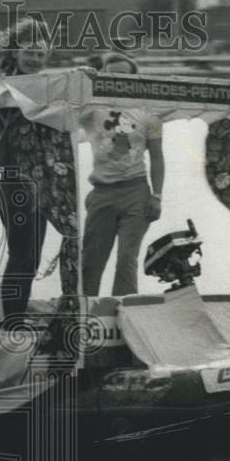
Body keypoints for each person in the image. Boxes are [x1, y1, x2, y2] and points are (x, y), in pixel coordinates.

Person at [0, 19, 80, 322]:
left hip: (43, 179)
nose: (35, 60)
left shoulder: (47, 86)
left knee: (32, 255)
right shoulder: (2, 86)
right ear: (14, 53)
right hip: (15, 177)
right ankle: (13, 320)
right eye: (29, 52)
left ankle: (17, 315)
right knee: (22, 253)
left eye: (41, 55)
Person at [80, 52, 165, 296]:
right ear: (104, 77)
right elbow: (67, 102)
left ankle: (125, 311)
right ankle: (87, 311)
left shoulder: (149, 114)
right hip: (102, 192)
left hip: (136, 191)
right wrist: (82, 78)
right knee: (91, 260)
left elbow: (157, 157)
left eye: (124, 76)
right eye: (111, 75)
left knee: (127, 259)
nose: (118, 81)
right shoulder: (91, 112)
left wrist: (157, 196)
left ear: (133, 79)